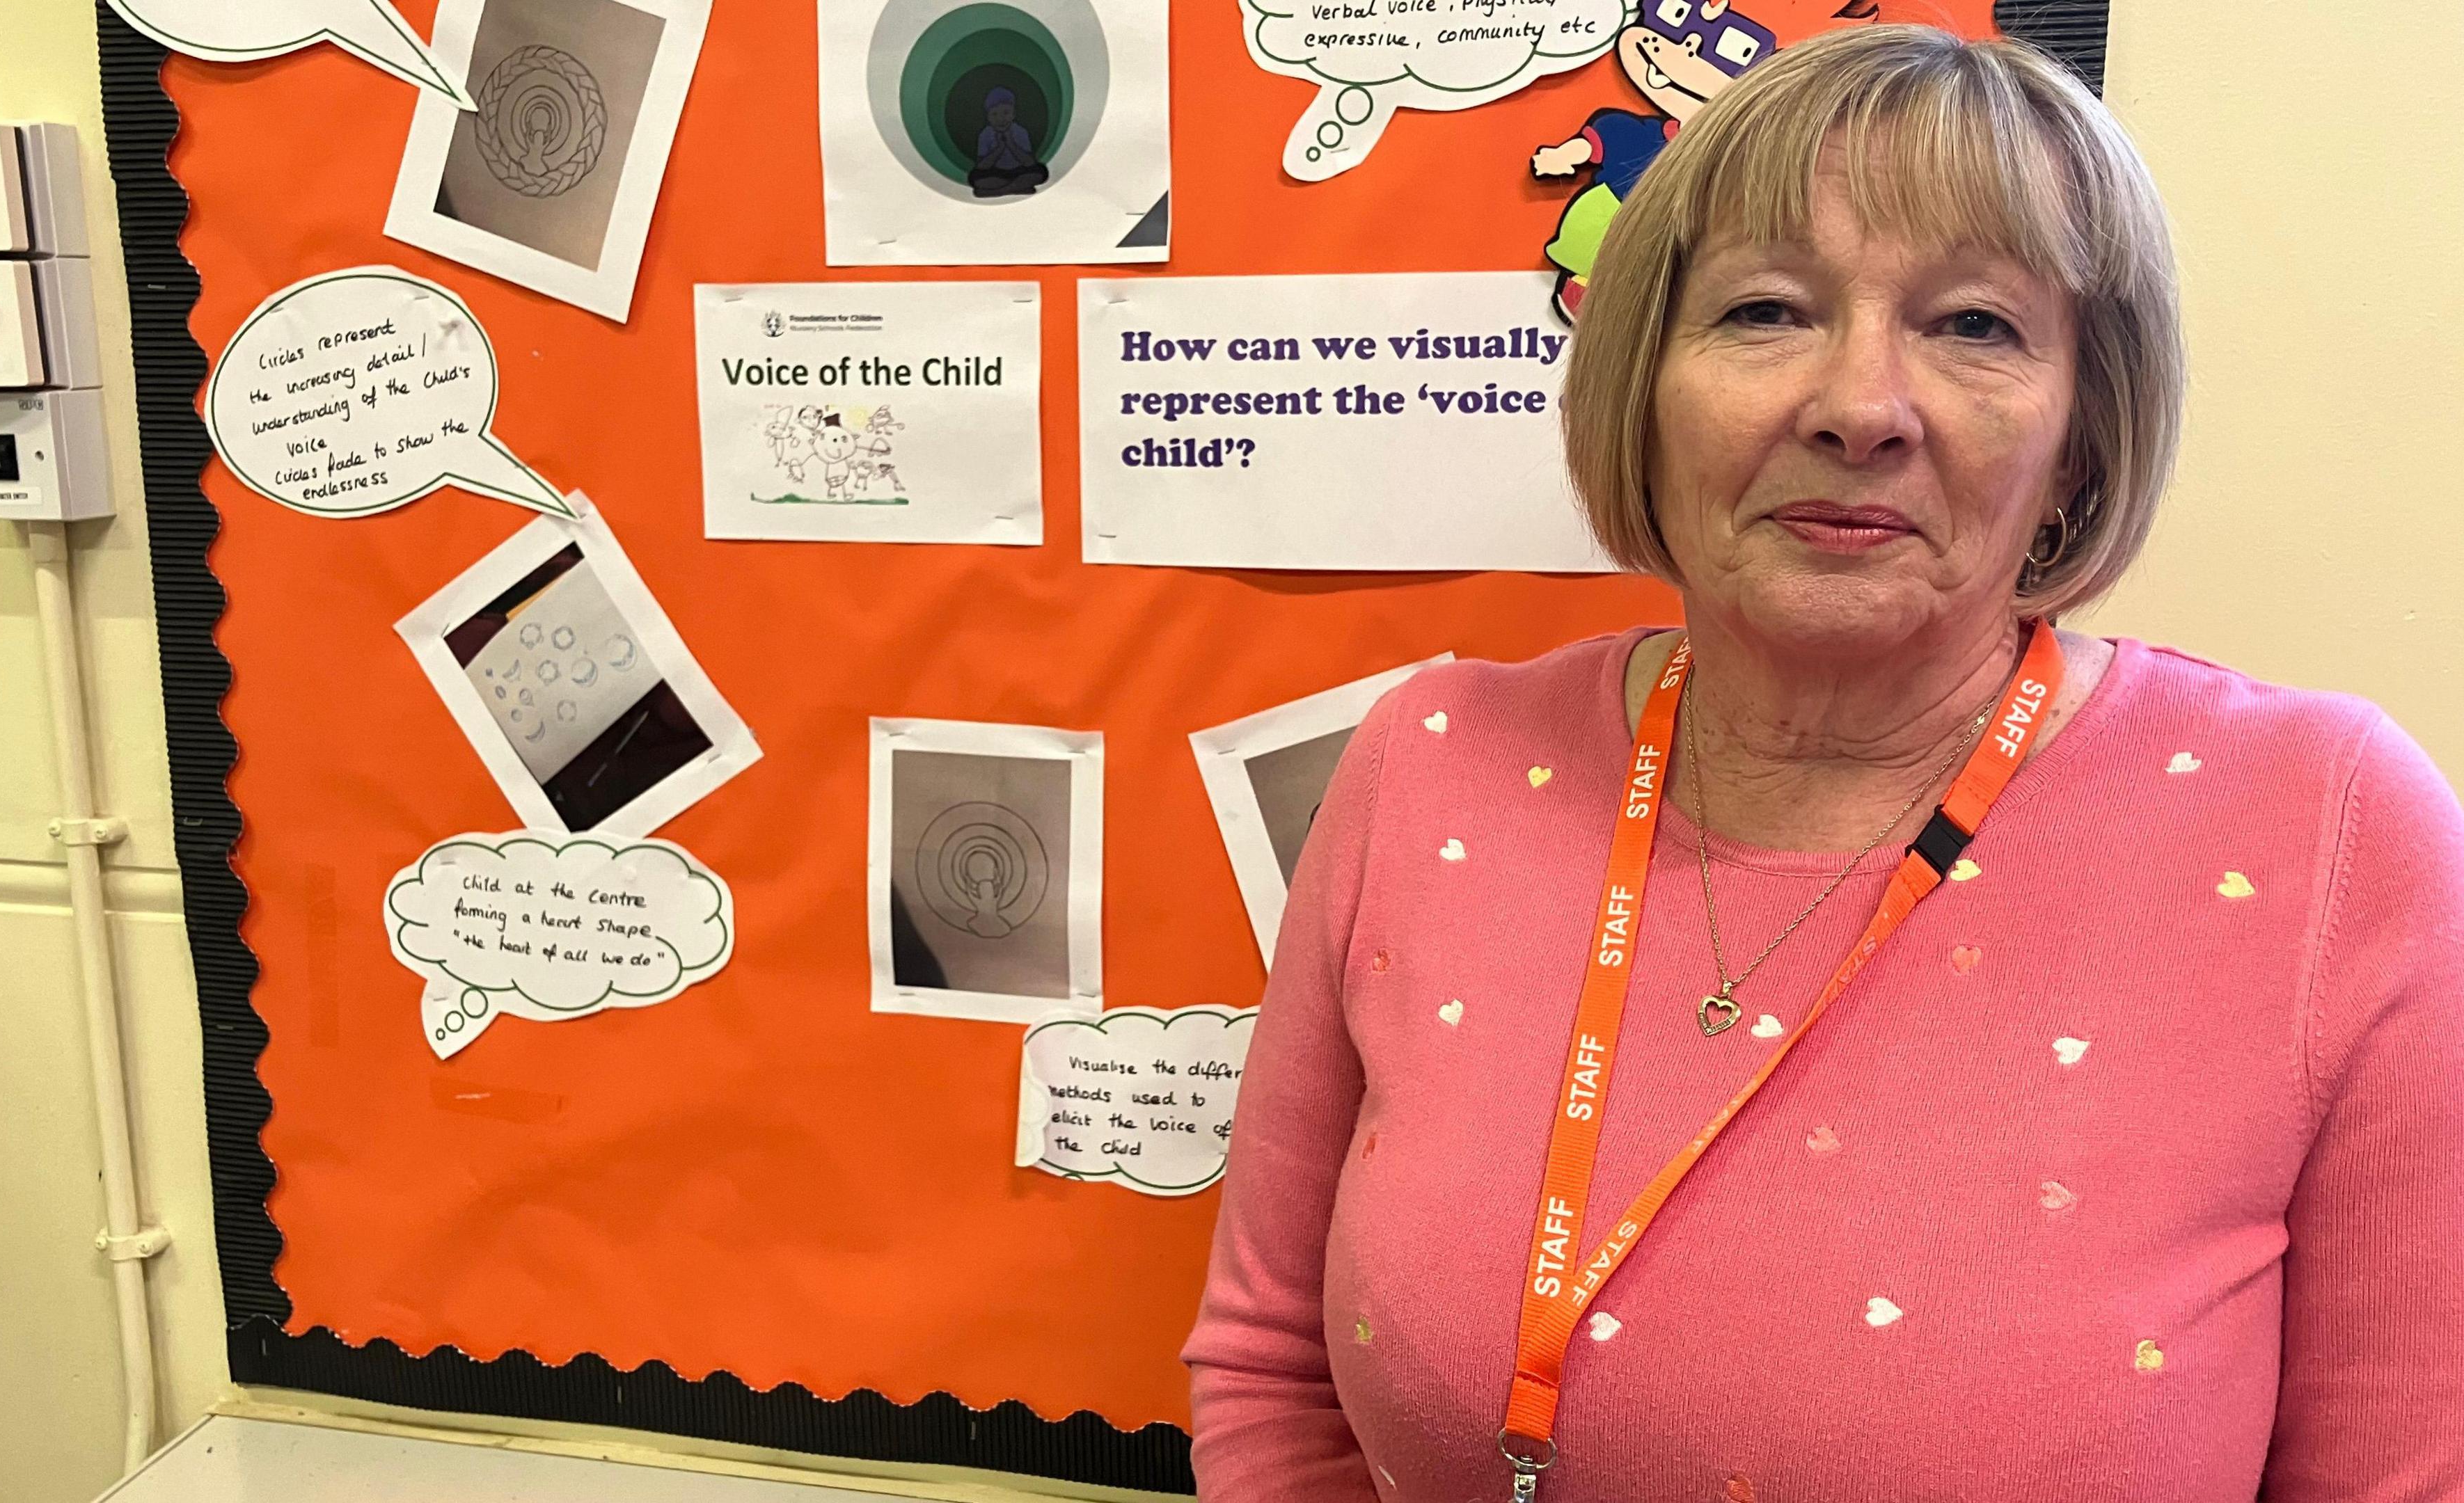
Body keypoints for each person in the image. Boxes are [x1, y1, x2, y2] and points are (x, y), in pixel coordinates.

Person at [1185, 24, 2464, 1502]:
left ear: (2082, 431)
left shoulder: (2332, 831)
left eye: (1977, 324)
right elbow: (1271, 1376)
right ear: (1644, 384)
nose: (1861, 404)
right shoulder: (1433, 765)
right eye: (1767, 310)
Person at [1530, 0, 1780, 322]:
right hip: (1610, 217)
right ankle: (1584, 290)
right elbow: (1601, 141)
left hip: (1684, 242)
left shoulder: (1736, 160)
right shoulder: (1639, 134)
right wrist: (1563, 156)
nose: (1686, 55)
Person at [968, 86, 1048, 197]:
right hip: (996, 174)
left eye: (1006, 113)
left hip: (1019, 171)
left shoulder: (1020, 132)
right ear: (988, 117)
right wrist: (999, 149)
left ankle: (999, 191)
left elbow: (1029, 163)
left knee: (1040, 172)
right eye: (995, 114)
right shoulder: (985, 135)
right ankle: (1018, 187)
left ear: (1013, 114)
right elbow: (982, 167)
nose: (1001, 119)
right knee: (975, 177)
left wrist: (1011, 144)